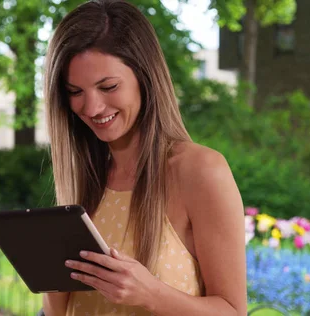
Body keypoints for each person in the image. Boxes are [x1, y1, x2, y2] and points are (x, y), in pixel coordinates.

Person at [41, 0, 247, 315]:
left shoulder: (200, 171)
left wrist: (150, 293)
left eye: (108, 86)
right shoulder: (86, 178)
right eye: (75, 92)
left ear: (144, 77)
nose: (92, 107)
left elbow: (233, 311)